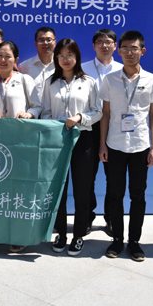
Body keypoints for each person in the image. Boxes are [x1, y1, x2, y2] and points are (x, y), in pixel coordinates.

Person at [99, 30, 153, 262]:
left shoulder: (152, 80)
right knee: (115, 195)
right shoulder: (110, 80)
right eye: (124, 48)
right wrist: (102, 144)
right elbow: (105, 114)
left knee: (138, 195)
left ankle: (134, 242)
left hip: (140, 146)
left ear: (142, 51)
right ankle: (117, 239)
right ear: (119, 51)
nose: (129, 52)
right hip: (115, 145)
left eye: (133, 48)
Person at [41, 38, 102, 256]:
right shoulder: (50, 82)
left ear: (77, 57)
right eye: (61, 56)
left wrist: (80, 117)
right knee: (59, 189)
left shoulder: (89, 82)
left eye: (70, 55)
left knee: (82, 189)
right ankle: (61, 233)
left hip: (82, 139)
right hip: (58, 140)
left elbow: (98, 112)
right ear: (56, 58)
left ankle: (78, 235)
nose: (65, 59)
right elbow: (46, 112)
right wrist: (55, 125)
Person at [0, 41, 42, 253]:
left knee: (20, 188)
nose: (3, 60)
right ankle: (0, 232)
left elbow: (37, 106)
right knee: (0, 190)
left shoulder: (25, 80)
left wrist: (29, 114)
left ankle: (21, 234)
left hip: (21, 141)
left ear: (16, 60)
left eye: (8, 56)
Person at [81, 29, 123, 237]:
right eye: (100, 42)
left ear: (115, 46)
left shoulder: (123, 69)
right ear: (93, 46)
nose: (104, 46)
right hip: (89, 127)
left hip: (115, 126)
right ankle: (87, 217)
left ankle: (111, 218)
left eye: (108, 42)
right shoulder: (82, 69)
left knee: (113, 177)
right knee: (87, 176)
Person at [18, 27, 57, 105]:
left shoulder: (62, 65)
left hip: (56, 111)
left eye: (49, 40)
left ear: (55, 42)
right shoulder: (24, 67)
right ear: (35, 43)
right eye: (41, 40)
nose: (45, 43)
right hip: (32, 111)